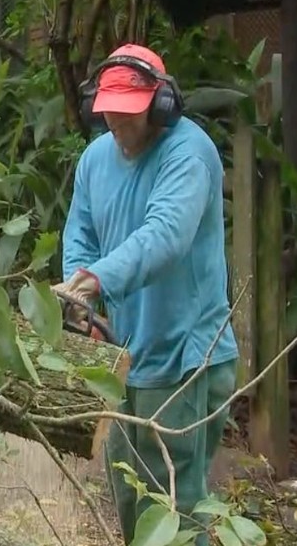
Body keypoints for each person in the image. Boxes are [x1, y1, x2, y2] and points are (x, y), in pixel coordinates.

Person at [52, 43, 239, 545]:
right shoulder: (95, 160)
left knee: (175, 504)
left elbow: (165, 238)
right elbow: (80, 235)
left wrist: (96, 279)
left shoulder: (188, 153)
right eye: (110, 114)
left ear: (162, 105)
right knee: (128, 489)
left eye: (130, 115)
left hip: (184, 353)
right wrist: (80, 297)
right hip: (124, 354)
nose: (118, 125)